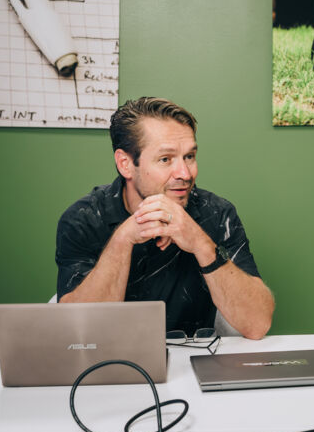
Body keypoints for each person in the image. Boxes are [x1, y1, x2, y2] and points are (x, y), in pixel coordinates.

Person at [56, 96, 274, 339]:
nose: (185, 173)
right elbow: (76, 334)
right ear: (125, 164)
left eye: (189, 156)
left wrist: (201, 243)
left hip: (195, 358)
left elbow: (257, 324)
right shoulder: (84, 219)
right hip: (110, 364)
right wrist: (122, 240)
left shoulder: (218, 213)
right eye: (165, 159)